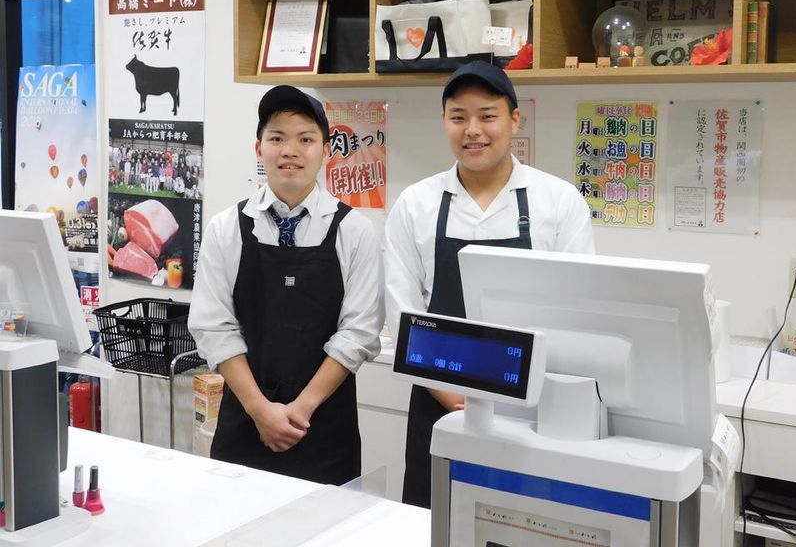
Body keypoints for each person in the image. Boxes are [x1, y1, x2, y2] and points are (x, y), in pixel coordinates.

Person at [384, 61, 595, 508]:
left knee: (526, 523)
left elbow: (575, 313)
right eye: (458, 116)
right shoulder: (415, 204)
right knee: (433, 521)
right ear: (444, 121)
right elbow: (401, 310)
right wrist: (448, 394)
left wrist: (518, 398)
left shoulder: (558, 202)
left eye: (487, 115)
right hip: (437, 402)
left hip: (532, 409)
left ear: (514, 119)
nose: (472, 130)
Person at [188, 85, 383, 485]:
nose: (289, 150)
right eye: (277, 138)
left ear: (326, 150)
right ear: (259, 149)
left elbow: (358, 333)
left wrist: (299, 411)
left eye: (305, 139)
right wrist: (261, 410)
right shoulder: (227, 228)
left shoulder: (356, 231)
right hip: (244, 422)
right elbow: (213, 327)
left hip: (324, 429)